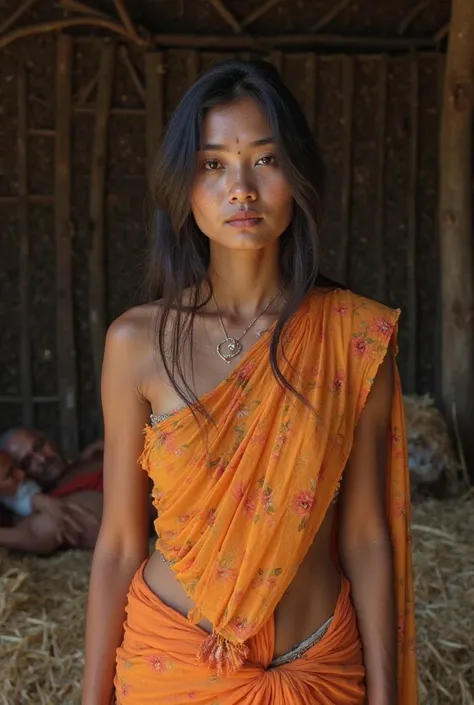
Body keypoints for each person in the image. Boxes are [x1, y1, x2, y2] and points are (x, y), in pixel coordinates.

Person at [82, 60, 418, 705]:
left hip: (317, 666)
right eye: (213, 164)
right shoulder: (137, 343)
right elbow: (120, 543)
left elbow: (368, 535)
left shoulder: (353, 338)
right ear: (183, 187)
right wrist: (92, 696)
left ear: (298, 178)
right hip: (172, 664)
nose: (241, 188)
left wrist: (384, 693)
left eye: (265, 160)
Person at [0, 429, 104, 553]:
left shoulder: (92, 455)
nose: (42, 459)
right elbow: (44, 529)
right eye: (27, 462)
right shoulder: (55, 507)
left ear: (48, 439)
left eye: (39, 446)